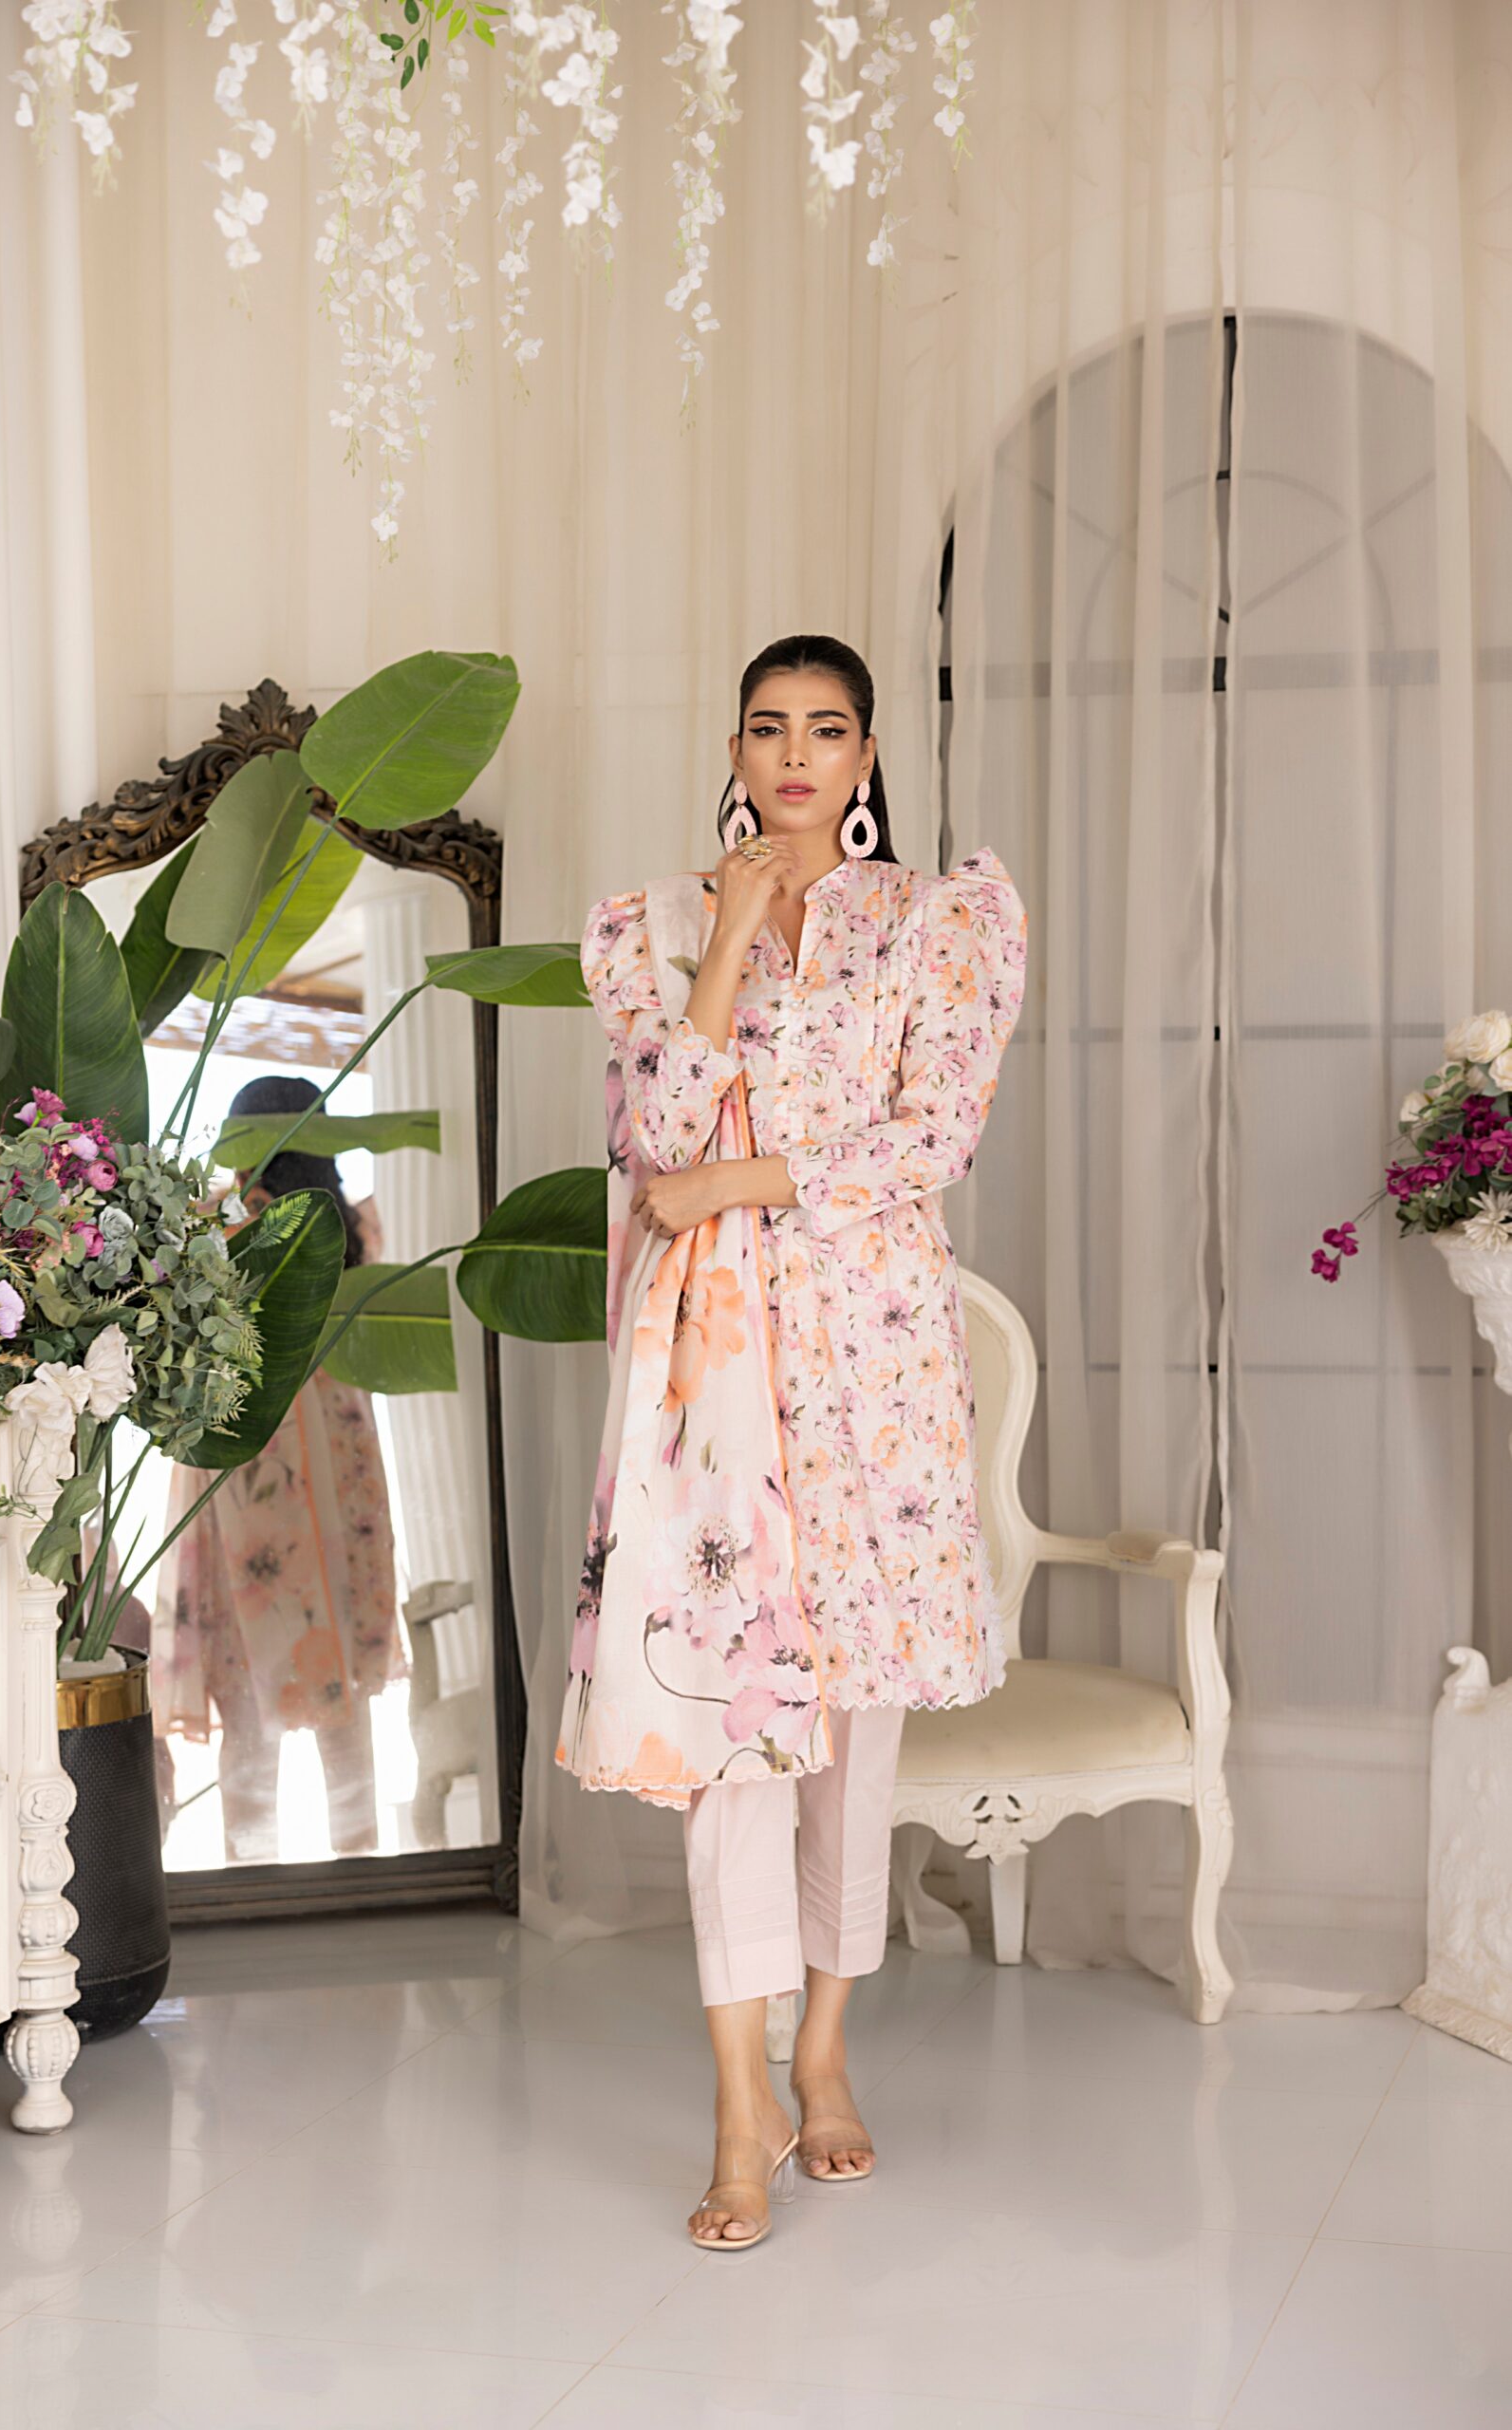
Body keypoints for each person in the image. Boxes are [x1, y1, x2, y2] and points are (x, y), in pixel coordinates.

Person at [558, 634, 1028, 2252]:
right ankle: (734, 2105)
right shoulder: (645, 927)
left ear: (867, 753)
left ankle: (821, 2051)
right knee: (730, 1730)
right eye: (769, 728)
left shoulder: (937, 924)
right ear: (736, 749)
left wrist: (740, 1185)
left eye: (828, 729)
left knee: (851, 1739)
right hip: (712, 1371)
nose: (798, 755)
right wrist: (725, 944)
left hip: (875, 1364)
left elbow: (931, 1136)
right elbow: (654, 1135)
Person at [150, 1075, 404, 1864]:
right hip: (290, 1462)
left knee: (271, 1690)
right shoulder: (324, 1227)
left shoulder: (266, 1228)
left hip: (267, 1459)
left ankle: (265, 1868)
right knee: (301, 1693)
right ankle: (336, 1866)